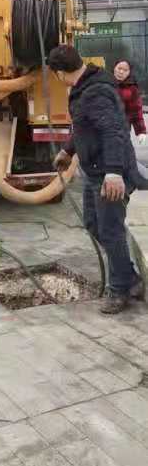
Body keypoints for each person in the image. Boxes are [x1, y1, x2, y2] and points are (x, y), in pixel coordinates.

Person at [48, 45, 142, 314]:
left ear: (60, 73)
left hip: (108, 174)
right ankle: (130, 279)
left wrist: (114, 172)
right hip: (94, 171)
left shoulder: (96, 91)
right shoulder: (85, 86)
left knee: (111, 231)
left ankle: (119, 291)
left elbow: (113, 131)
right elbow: (84, 126)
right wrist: (68, 150)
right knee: (93, 224)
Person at [113, 59, 146, 145]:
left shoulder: (132, 89)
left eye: (125, 70)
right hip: (104, 127)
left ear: (129, 72)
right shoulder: (105, 83)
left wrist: (141, 131)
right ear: (114, 68)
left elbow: (136, 111)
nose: (121, 72)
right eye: (119, 68)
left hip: (122, 129)